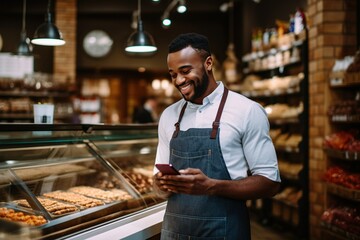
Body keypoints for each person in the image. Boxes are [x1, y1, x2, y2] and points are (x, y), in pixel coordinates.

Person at [153, 32, 281, 239]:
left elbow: (270, 183)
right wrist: (161, 185)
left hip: (224, 232)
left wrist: (212, 186)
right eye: (172, 74)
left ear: (208, 63)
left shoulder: (247, 111)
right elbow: (158, 184)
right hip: (175, 231)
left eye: (185, 71)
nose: (178, 80)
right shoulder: (169, 116)